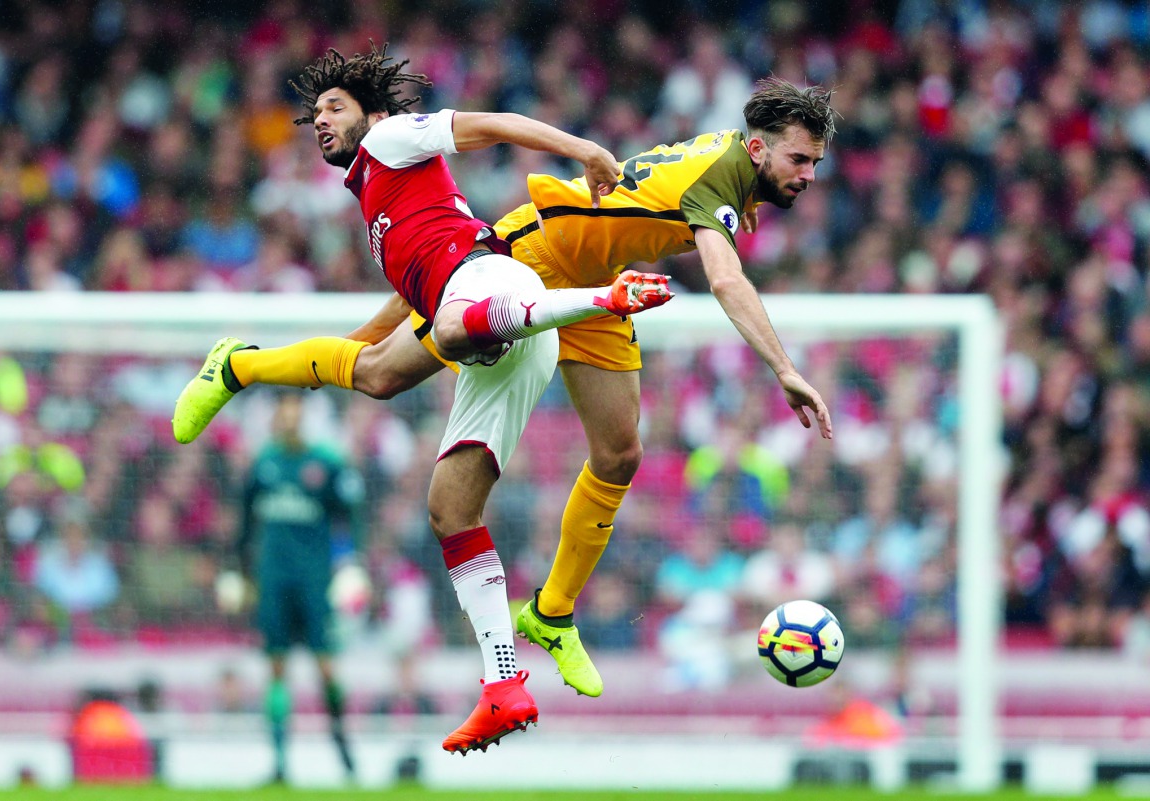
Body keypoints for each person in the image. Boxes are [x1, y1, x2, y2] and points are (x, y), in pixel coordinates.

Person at [176, 73, 836, 700]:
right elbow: (725, 280)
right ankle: (237, 365)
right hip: (527, 256)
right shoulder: (723, 175)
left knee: (619, 453)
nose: (808, 175)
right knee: (378, 365)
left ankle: (551, 614)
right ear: (757, 147)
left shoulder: (730, 166)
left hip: (591, 279)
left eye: (813, 163)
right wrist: (784, 368)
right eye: (800, 160)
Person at [172, 44, 671, 754]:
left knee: (441, 332)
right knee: (436, 483)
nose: (320, 121)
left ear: (370, 112)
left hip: (496, 290)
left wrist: (580, 146)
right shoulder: (380, 198)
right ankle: (503, 685)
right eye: (313, 113)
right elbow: (398, 313)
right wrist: (324, 363)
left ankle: (605, 297)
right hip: (504, 330)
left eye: (333, 107)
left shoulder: (390, 137)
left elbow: (492, 124)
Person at [238, 394, 363, 782]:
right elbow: (245, 525)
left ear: (304, 419)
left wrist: (349, 565)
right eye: (283, 413)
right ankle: (278, 764)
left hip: (314, 580)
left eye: (295, 413)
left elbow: (349, 518)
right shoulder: (264, 463)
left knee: (325, 668)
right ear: (276, 418)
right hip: (274, 579)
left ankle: (343, 750)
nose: (288, 420)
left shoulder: (326, 464)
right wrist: (241, 571)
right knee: (276, 668)